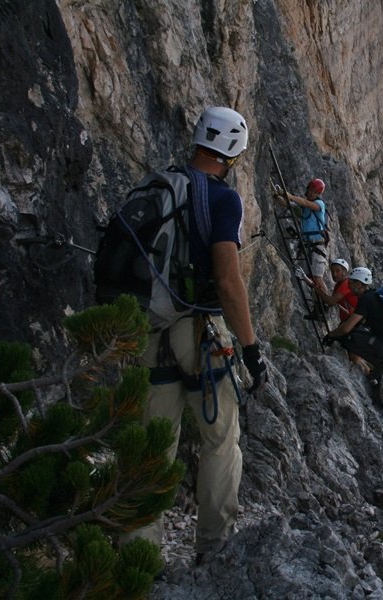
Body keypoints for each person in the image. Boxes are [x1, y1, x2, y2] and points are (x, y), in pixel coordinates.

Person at [122, 106, 267, 565]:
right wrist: (250, 349)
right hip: (200, 333)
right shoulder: (222, 199)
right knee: (220, 440)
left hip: (149, 330)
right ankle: (213, 547)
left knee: (151, 447)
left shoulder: (160, 184)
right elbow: (228, 280)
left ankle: (136, 561)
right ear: (233, 152)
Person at [323, 267, 383, 382]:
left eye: (351, 283)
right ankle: (378, 367)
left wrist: (330, 335)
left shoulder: (366, 299)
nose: (349, 286)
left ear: (359, 284)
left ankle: (380, 364)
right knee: (354, 334)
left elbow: (346, 328)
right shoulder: (374, 296)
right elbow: (358, 323)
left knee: (346, 337)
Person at [283, 178, 329, 298]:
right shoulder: (306, 207)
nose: (309, 193)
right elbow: (289, 204)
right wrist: (280, 197)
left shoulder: (319, 204)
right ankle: (317, 304)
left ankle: (326, 302)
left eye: (313, 191)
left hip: (316, 244)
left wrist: (291, 196)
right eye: (310, 190)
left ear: (317, 193)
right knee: (310, 278)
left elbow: (306, 203)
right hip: (307, 244)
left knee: (317, 277)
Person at [313, 258, 358, 322]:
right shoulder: (339, 284)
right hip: (348, 320)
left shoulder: (346, 284)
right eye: (332, 271)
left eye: (337, 271)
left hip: (351, 322)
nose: (334, 274)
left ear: (344, 271)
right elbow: (331, 302)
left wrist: (314, 287)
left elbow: (330, 301)